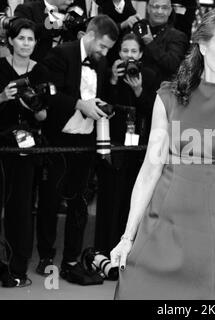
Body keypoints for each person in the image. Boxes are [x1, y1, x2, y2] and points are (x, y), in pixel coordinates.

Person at [111, 8, 215, 299]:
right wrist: (126, 237)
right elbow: (149, 171)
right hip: (159, 235)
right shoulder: (169, 98)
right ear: (203, 45)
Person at [35, 15, 119, 284]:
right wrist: (79, 104)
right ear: (91, 35)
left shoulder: (101, 62)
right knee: (50, 200)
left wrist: (102, 103)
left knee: (80, 202)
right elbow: (47, 94)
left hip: (86, 141)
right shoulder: (60, 54)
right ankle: (46, 256)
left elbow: (98, 96)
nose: (105, 53)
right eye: (103, 46)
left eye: (107, 49)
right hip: (59, 140)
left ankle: (71, 258)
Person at [94, 32, 157, 256]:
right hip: (112, 143)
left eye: (133, 51)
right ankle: (104, 250)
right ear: (118, 52)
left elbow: (154, 112)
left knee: (133, 199)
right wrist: (112, 79)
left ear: (140, 54)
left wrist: (139, 90)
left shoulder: (149, 76)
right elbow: (101, 104)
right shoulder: (109, 73)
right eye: (124, 50)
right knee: (109, 197)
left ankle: (129, 251)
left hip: (139, 147)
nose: (129, 55)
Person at [0, 18, 48, 287]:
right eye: (21, 38)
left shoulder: (40, 72)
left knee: (21, 208)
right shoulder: (0, 68)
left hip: (27, 148)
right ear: (10, 41)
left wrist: (35, 108)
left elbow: (44, 115)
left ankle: (17, 267)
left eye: (30, 39)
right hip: (2, 145)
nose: (26, 43)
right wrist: (4, 97)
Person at [139, 0, 188, 89]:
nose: (159, 11)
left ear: (170, 11)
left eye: (164, 8)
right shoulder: (139, 28)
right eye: (156, 7)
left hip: (159, 92)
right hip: (131, 86)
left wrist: (151, 43)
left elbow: (173, 65)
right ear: (148, 8)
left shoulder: (177, 36)